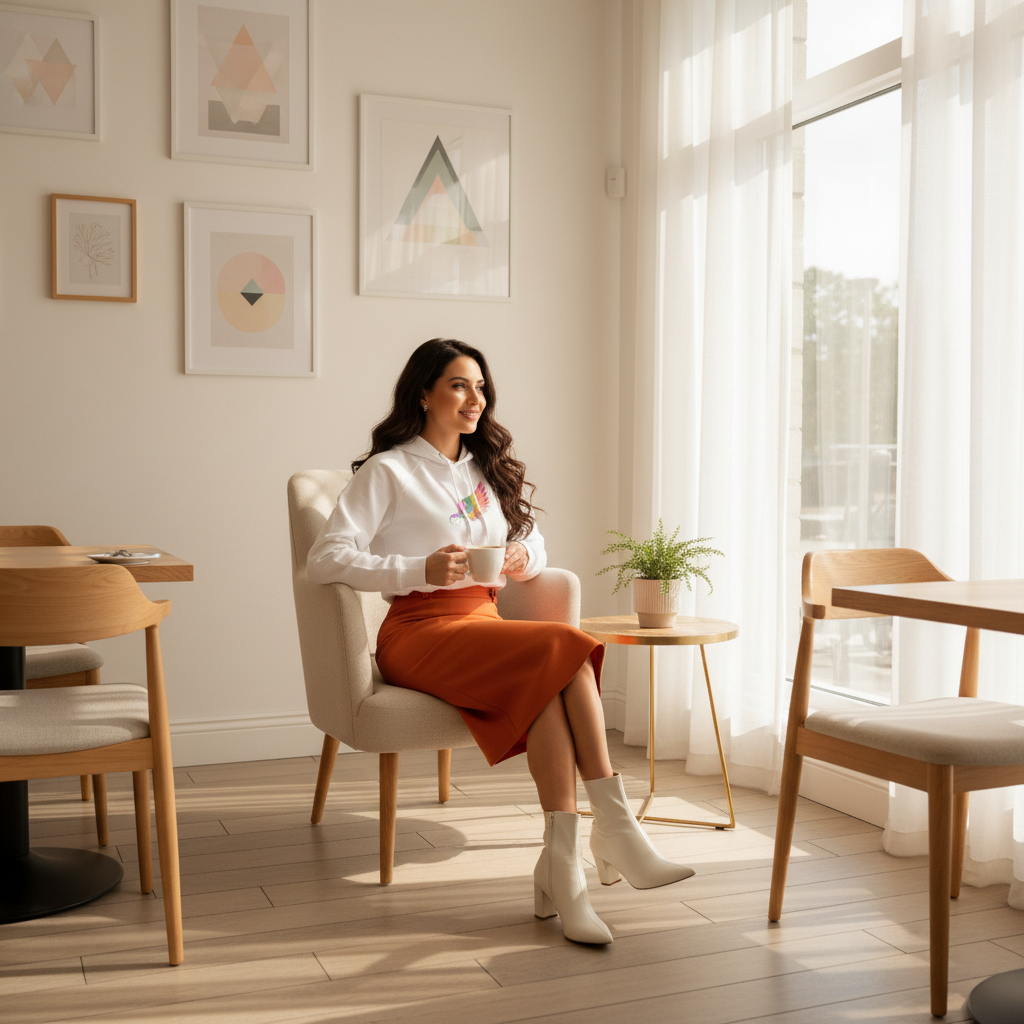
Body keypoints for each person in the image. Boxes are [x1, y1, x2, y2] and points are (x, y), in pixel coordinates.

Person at [307, 338, 694, 944]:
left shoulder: (483, 468)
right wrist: (415, 570)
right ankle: (613, 828)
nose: (475, 399)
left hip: (483, 624)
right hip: (418, 632)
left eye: (481, 386)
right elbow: (324, 560)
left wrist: (521, 554)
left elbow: (537, 545)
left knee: (547, 687)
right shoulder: (390, 470)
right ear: (424, 393)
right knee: (561, 645)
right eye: (460, 385)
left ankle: (561, 866)